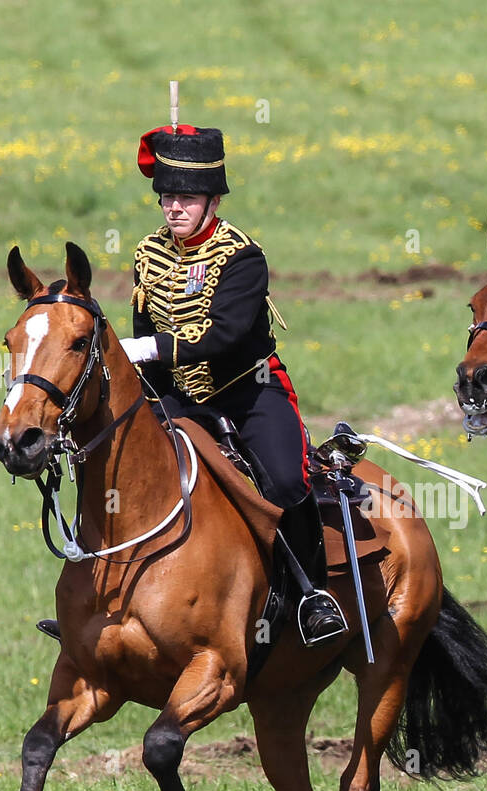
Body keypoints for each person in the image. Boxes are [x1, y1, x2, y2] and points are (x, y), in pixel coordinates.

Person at [118, 121, 346, 648]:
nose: (174, 208)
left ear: (213, 199)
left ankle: (312, 593)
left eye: (187, 198)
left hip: (247, 390)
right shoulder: (148, 254)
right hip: (178, 395)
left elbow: (224, 335)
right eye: (166, 197)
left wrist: (154, 349)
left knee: (288, 481)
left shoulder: (241, 256)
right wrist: (147, 395)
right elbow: (142, 330)